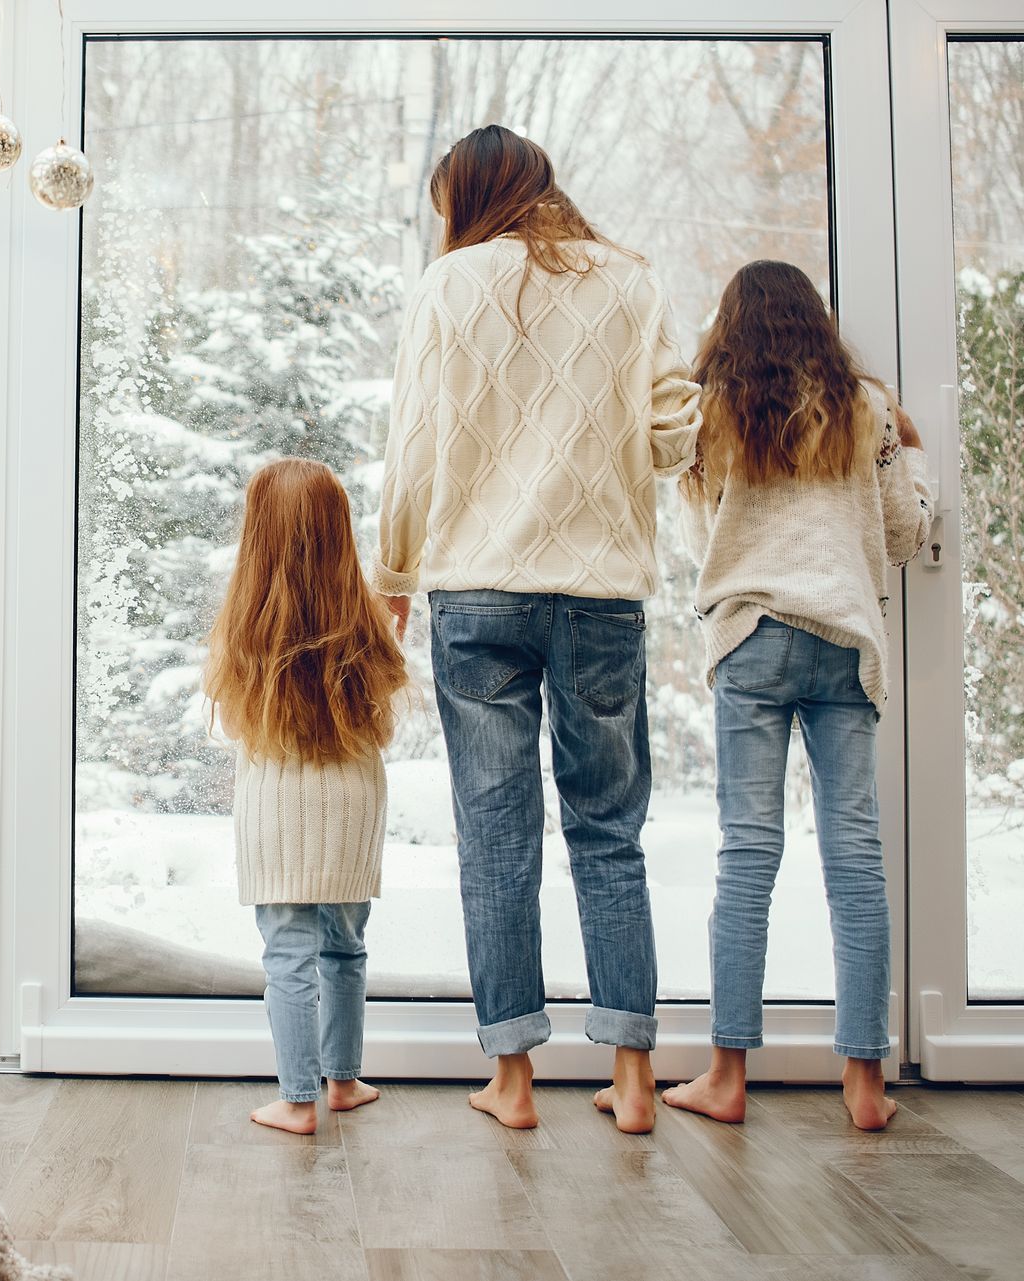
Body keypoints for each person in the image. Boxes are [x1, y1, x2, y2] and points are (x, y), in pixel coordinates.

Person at [375, 125, 702, 1133]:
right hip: (600, 590)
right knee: (610, 833)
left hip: (474, 591)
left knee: (496, 836)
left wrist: (392, 569)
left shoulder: (447, 287)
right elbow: (670, 436)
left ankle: (512, 1082)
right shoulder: (631, 283)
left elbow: (416, 446)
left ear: (467, 201)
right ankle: (637, 1080)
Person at [663, 260, 932, 1131]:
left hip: (751, 635)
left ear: (729, 325)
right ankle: (863, 1084)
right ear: (816, 320)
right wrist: (915, 462)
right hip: (845, 637)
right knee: (854, 855)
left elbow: (703, 533)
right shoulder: (868, 409)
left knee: (749, 853)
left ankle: (727, 1074)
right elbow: (899, 531)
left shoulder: (714, 410)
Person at [203, 457, 411, 1134]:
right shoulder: (364, 617)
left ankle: (297, 1099)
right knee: (345, 945)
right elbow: (387, 686)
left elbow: (233, 717)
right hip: (352, 803)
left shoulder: (244, 622)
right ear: (337, 529)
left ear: (257, 532)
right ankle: (343, 1079)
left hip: (277, 809)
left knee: (288, 951)